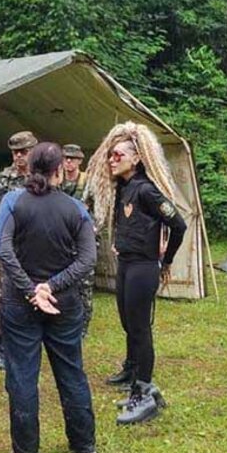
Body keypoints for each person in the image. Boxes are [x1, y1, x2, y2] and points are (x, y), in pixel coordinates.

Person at [0, 142, 98, 453]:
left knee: (22, 376)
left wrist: (32, 290)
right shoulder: (75, 207)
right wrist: (50, 286)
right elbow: (88, 259)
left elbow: (4, 251)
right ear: (58, 170)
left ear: (28, 167)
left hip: (20, 304)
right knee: (71, 371)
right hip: (64, 303)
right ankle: (84, 445)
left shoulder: (12, 201)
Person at [87, 122, 187, 425]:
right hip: (127, 264)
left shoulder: (146, 190)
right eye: (110, 155)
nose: (112, 159)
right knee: (130, 325)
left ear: (137, 158)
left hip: (144, 267)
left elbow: (178, 225)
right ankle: (138, 385)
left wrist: (165, 261)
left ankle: (145, 393)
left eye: (118, 155)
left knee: (140, 329)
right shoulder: (124, 188)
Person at [0, 131, 38, 370]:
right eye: (16, 152)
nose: (19, 156)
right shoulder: (1, 180)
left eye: (24, 152)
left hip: (35, 251)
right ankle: (1, 348)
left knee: (35, 295)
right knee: (2, 298)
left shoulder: (42, 179)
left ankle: (30, 343)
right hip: (6, 252)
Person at [60, 143, 95, 337]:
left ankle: (83, 326)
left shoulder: (88, 184)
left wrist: (92, 231)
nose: (68, 162)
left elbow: (100, 212)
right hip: (62, 242)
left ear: (80, 161)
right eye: (65, 158)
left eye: (72, 159)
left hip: (82, 242)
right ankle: (64, 321)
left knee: (85, 285)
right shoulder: (57, 182)